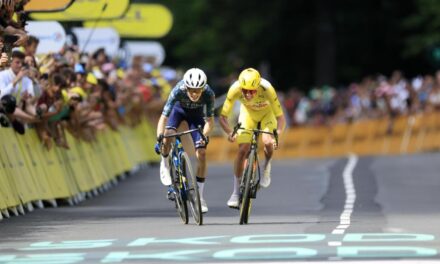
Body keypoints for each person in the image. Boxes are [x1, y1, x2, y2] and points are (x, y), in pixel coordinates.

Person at [219, 68, 285, 208]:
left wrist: (277, 134)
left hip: (267, 115)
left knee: (267, 141)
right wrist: (230, 132)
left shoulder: (267, 89)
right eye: (245, 91)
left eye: (252, 91)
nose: (248, 94)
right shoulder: (235, 89)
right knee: (243, 150)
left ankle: (266, 165)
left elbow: (280, 117)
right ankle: (235, 192)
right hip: (248, 115)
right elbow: (223, 117)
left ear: (258, 87)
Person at [155, 68, 215, 213]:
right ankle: (164, 162)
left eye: (197, 90)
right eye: (191, 90)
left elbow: (210, 122)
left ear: (202, 88)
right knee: (168, 134)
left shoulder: (208, 93)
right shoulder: (178, 90)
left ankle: (200, 197)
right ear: (186, 87)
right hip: (178, 112)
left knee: (201, 153)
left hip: (196, 116)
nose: (194, 94)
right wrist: (159, 137)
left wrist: (203, 136)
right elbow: (163, 117)